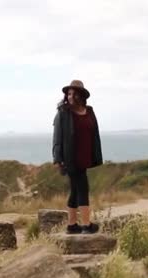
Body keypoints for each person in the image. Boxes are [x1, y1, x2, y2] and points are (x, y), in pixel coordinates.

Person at [52, 80, 103, 234]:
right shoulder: (63, 113)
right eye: (69, 93)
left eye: (74, 93)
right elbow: (57, 138)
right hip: (70, 158)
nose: (71, 96)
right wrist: (58, 159)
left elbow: (94, 133)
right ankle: (86, 226)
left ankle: (72, 225)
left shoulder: (89, 111)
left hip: (85, 156)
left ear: (81, 95)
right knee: (83, 188)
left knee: (75, 190)